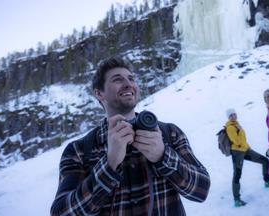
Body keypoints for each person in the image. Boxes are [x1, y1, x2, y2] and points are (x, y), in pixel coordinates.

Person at [50, 56, 210, 215]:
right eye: (117, 80)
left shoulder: (170, 133)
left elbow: (201, 190)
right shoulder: (79, 150)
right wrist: (109, 164)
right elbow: (61, 212)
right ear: (99, 94)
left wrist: (163, 156)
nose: (128, 84)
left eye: (131, 79)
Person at [225, 108, 269, 207]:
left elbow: (243, 140)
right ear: (228, 117)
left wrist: (248, 147)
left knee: (265, 160)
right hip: (237, 152)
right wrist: (240, 130)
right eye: (231, 115)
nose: (233, 116)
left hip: (245, 150)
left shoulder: (237, 124)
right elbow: (236, 141)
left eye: (234, 114)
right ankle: (237, 200)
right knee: (237, 175)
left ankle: (267, 181)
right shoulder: (230, 127)